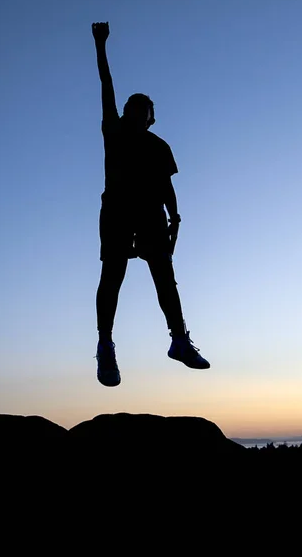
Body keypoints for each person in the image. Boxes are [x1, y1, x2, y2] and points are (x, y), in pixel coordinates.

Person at [92, 21, 210, 387]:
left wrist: (174, 215)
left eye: (142, 106)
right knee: (113, 275)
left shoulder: (160, 146)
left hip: (151, 216)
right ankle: (106, 344)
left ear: (150, 115)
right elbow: (106, 84)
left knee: (164, 278)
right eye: (131, 104)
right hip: (116, 211)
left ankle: (178, 339)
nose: (135, 108)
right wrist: (101, 45)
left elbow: (166, 186)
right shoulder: (113, 129)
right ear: (125, 111)